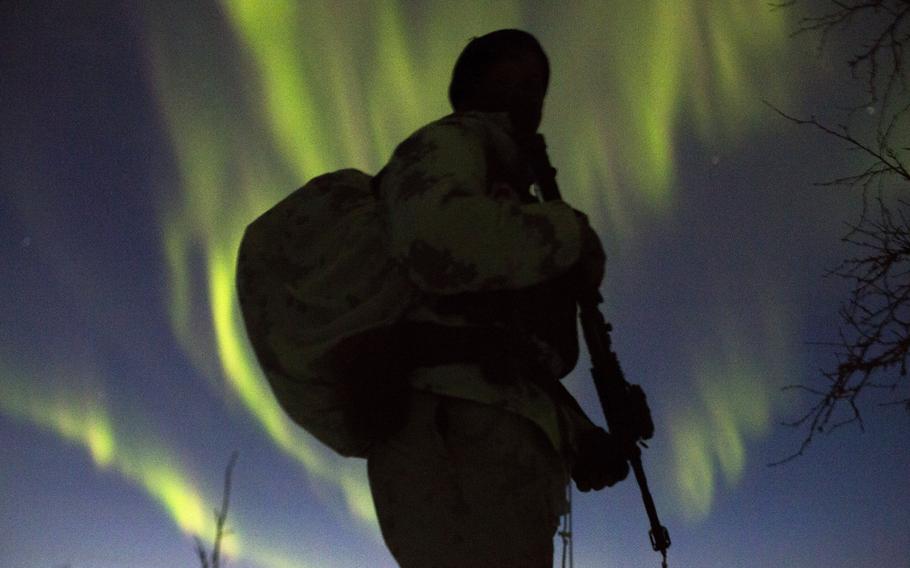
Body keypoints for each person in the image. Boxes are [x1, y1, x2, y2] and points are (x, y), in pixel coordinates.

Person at [363, 29, 629, 568]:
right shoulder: (454, 144)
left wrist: (579, 436)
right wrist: (567, 235)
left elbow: (509, 351)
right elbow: (433, 236)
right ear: (473, 84)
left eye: (538, 86)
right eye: (515, 77)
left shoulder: (504, 190)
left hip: (494, 441)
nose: (531, 96)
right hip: (455, 435)